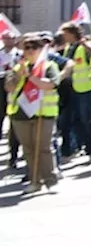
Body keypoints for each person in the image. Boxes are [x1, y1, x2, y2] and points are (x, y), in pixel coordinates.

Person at [5, 33, 61, 192]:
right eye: (26, 48)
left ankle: (50, 178)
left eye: (33, 47)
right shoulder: (18, 67)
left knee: (43, 147)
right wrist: (18, 75)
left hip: (43, 112)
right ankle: (35, 180)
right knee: (28, 148)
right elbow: (9, 87)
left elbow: (50, 84)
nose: (29, 51)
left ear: (40, 49)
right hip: (20, 113)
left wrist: (31, 77)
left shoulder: (49, 67)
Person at [57, 22, 91, 159]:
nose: (63, 36)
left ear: (71, 33)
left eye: (65, 34)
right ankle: (70, 149)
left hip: (83, 89)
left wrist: (85, 43)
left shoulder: (83, 45)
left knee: (85, 119)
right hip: (69, 89)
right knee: (67, 120)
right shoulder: (68, 47)